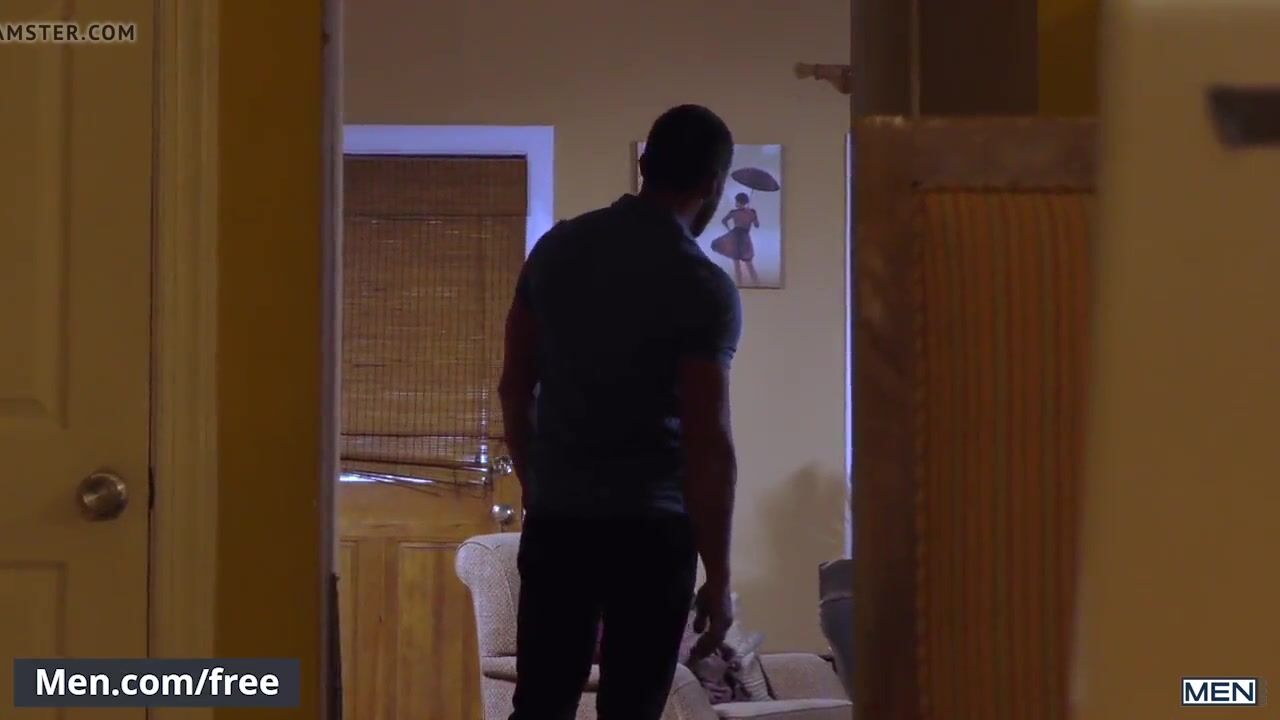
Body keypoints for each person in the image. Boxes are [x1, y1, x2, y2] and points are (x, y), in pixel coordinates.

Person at [498, 104, 743, 720]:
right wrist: (719, 577)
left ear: (644, 165)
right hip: (652, 535)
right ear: (714, 183)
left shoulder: (556, 249)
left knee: (540, 705)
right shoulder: (703, 286)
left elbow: (514, 387)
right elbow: (707, 442)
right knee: (632, 709)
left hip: (560, 523)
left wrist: (537, 487)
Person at [709, 192, 760, 286]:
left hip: (735, 237)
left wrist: (729, 229)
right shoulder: (751, 212)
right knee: (748, 263)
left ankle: (741, 284)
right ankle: (756, 284)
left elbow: (724, 221)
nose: (735, 203)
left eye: (736, 201)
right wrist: (753, 215)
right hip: (744, 237)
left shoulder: (734, 212)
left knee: (737, 263)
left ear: (740, 202)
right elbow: (757, 225)